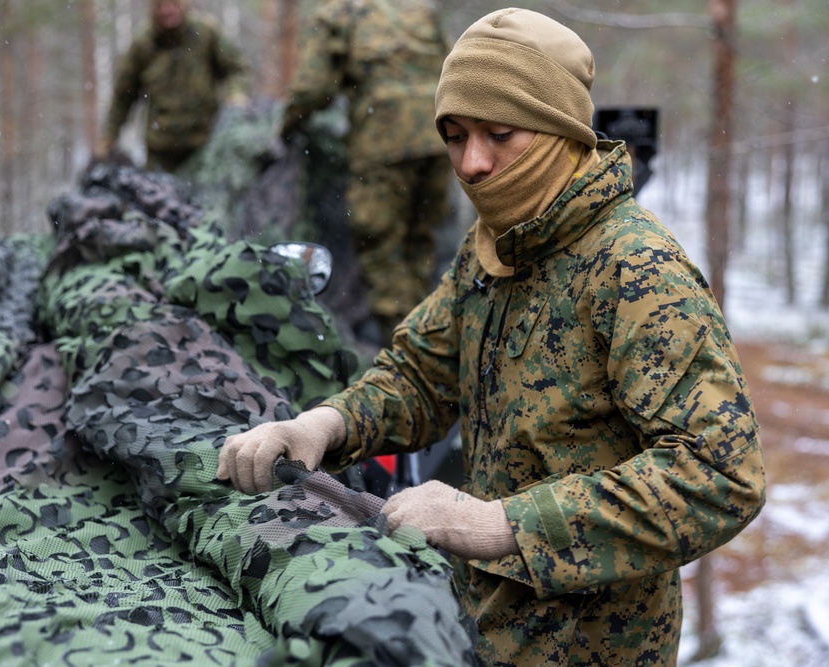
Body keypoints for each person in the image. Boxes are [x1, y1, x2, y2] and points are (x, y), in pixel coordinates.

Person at [218, 7, 765, 665]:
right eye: (455, 136)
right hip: (479, 628)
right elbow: (423, 372)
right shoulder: (495, 246)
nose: (472, 163)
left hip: (591, 647)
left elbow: (719, 472)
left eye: (500, 134)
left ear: (560, 129)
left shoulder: (635, 267)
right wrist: (325, 425)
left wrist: (499, 525)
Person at [280, 0, 451, 346]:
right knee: (419, 240)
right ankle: (433, 335)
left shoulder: (338, 14)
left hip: (384, 141)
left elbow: (314, 89)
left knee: (380, 245)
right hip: (440, 135)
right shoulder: (417, 9)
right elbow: (453, 67)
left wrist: (287, 125)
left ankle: (409, 353)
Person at [95, 0, 250, 173]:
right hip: (160, 149)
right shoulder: (143, 43)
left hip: (203, 143)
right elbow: (123, 96)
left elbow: (236, 69)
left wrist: (236, 95)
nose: (167, 10)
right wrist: (109, 137)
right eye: (161, 5)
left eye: (173, 4)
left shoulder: (205, 32)